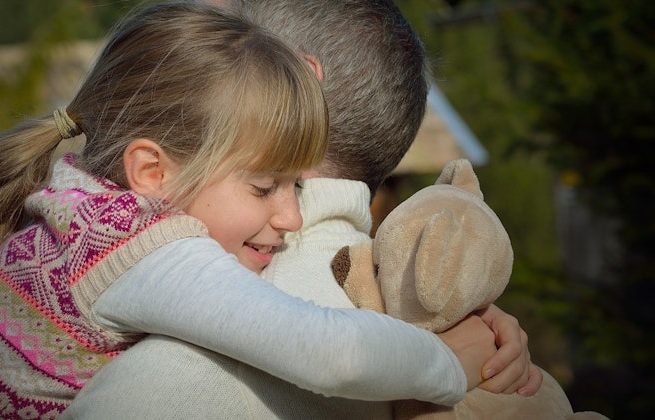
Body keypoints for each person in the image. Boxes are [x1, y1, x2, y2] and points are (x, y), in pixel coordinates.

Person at [0, 3, 498, 419]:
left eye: (295, 188)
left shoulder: (73, 197)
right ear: (153, 173)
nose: (292, 218)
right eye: (265, 187)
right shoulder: (148, 252)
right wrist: (447, 367)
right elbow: (332, 354)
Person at [63, 0, 543, 418]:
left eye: (228, 34)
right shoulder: (158, 283)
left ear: (300, 82)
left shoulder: (164, 379)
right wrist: (451, 347)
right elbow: (333, 351)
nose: (288, 217)